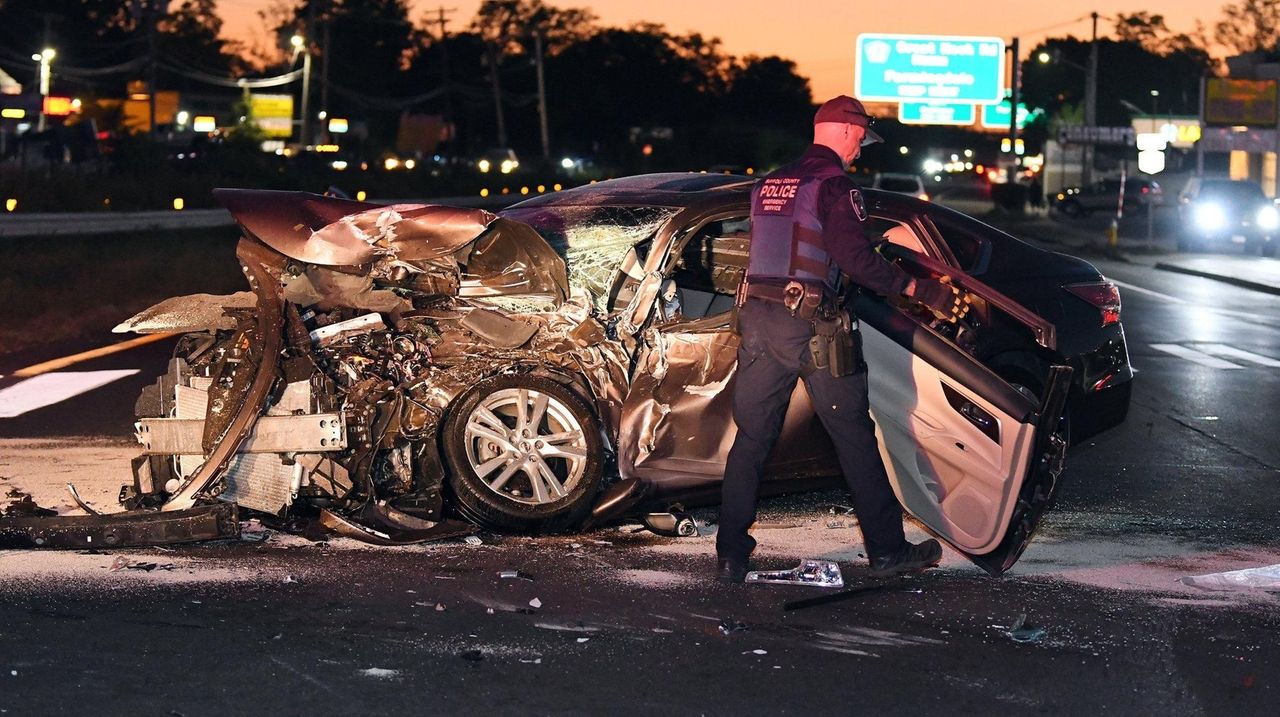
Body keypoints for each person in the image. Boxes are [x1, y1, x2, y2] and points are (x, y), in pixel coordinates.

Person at [716, 95, 970, 583]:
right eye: (860, 141)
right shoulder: (836, 187)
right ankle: (888, 551)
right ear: (848, 132)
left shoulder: (771, 182)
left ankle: (731, 555)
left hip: (759, 322)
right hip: (813, 328)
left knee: (750, 441)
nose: (860, 152)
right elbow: (853, 259)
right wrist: (917, 288)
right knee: (854, 438)